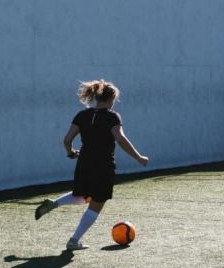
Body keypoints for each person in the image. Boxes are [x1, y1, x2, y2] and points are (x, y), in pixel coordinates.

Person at [35, 79, 149, 250]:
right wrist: (139, 157)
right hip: (103, 164)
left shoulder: (82, 115)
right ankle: (74, 241)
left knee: (83, 196)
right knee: (96, 203)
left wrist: (70, 153)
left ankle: (55, 204)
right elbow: (121, 139)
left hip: (84, 161)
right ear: (110, 99)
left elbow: (66, 140)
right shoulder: (112, 116)